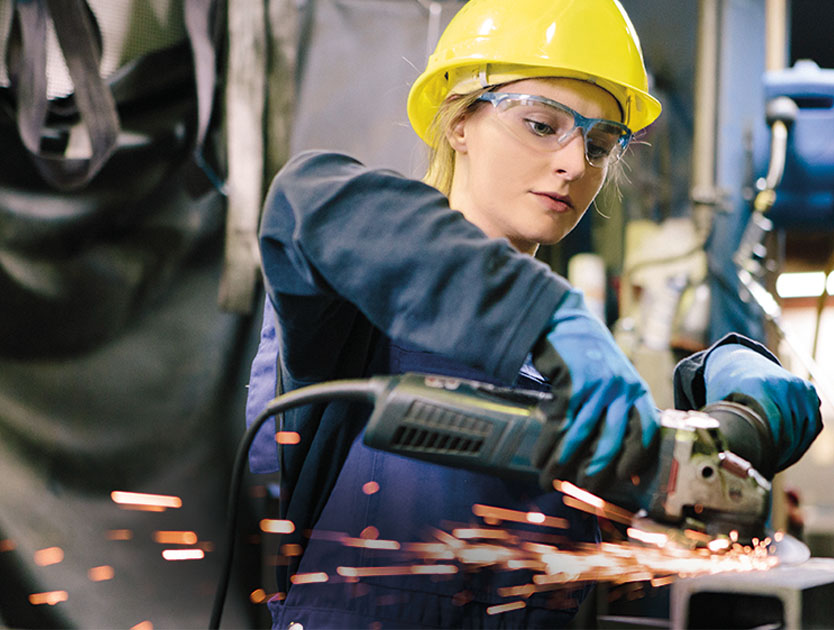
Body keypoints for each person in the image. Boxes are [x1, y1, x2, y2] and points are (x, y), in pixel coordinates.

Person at [245, 0, 822, 628]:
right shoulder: (360, 301)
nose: (574, 164)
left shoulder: (571, 372)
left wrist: (728, 405)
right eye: (543, 124)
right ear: (459, 122)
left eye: (599, 144)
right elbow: (306, 197)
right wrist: (545, 314)